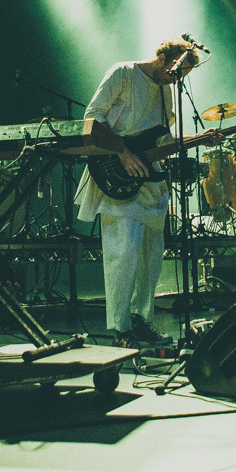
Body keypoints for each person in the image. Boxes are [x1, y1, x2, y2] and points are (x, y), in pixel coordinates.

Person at [75, 37, 199, 347]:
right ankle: (120, 330)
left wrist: (201, 138)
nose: (176, 79)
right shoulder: (123, 73)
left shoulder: (166, 91)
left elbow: (162, 136)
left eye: (181, 76)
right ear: (161, 58)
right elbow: (92, 118)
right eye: (174, 71)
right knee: (124, 253)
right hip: (116, 173)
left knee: (151, 257)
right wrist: (122, 152)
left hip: (149, 182)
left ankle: (142, 320)